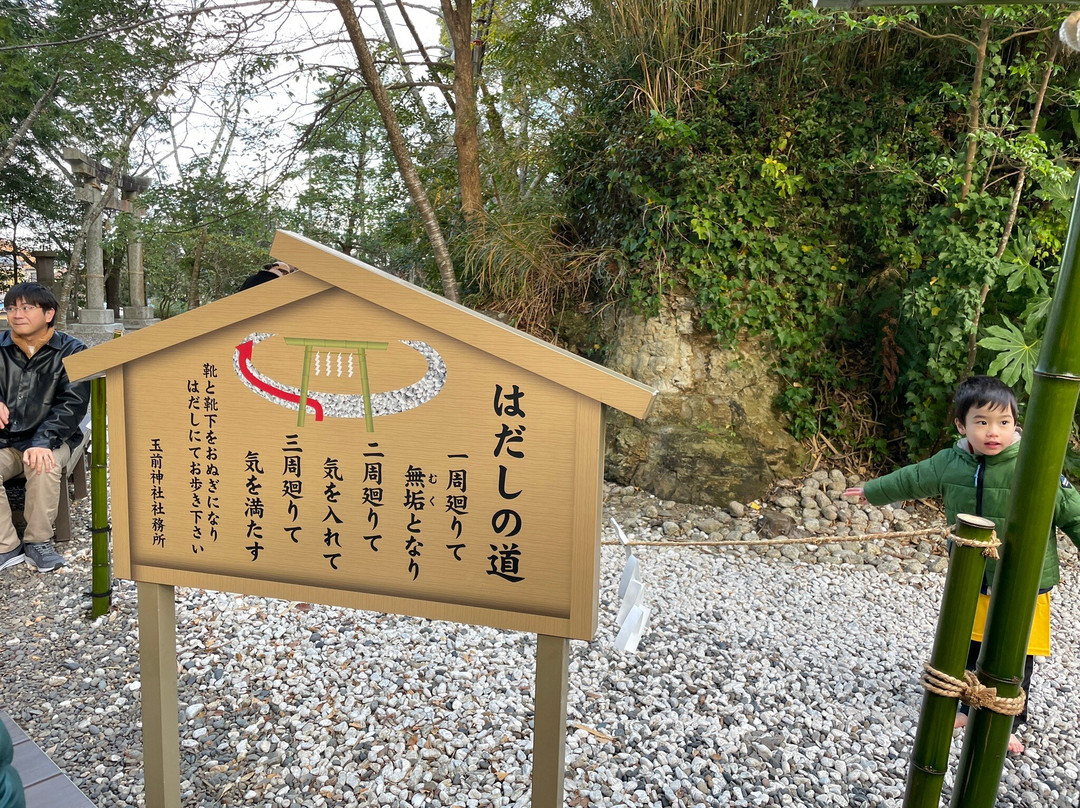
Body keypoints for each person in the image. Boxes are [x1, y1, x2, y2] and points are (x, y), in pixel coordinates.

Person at [844, 375, 1080, 755]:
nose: (993, 432)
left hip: (1025, 580)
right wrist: (873, 491)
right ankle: (965, 707)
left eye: (1003, 422)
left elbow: (1074, 514)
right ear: (961, 425)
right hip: (972, 575)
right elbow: (913, 478)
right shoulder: (951, 461)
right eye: (981, 422)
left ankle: (1007, 722)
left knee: (1015, 655)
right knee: (967, 645)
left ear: (1015, 424)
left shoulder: (1035, 462)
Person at [0, 283, 89, 573]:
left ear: (48, 313)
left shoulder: (73, 351)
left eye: (26, 307)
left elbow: (72, 405)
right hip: (5, 441)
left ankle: (38, 540)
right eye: (12, 307)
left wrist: (42, 440)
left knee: (43, 463)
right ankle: (7, 546)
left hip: (53, 437)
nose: (17, 314)